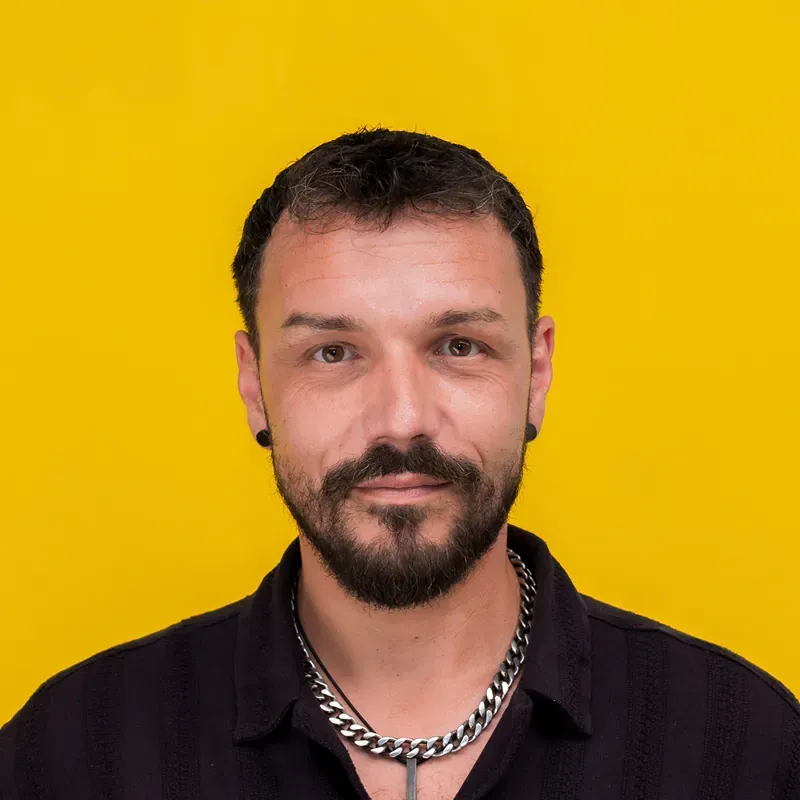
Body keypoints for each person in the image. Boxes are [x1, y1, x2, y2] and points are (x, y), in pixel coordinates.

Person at [1, 128, 797, 800]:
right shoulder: (70, 757)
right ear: (254, 385)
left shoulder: (746, 750)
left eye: (459, 346)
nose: (402, 419)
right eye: (333, 352)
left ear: (537, 372)